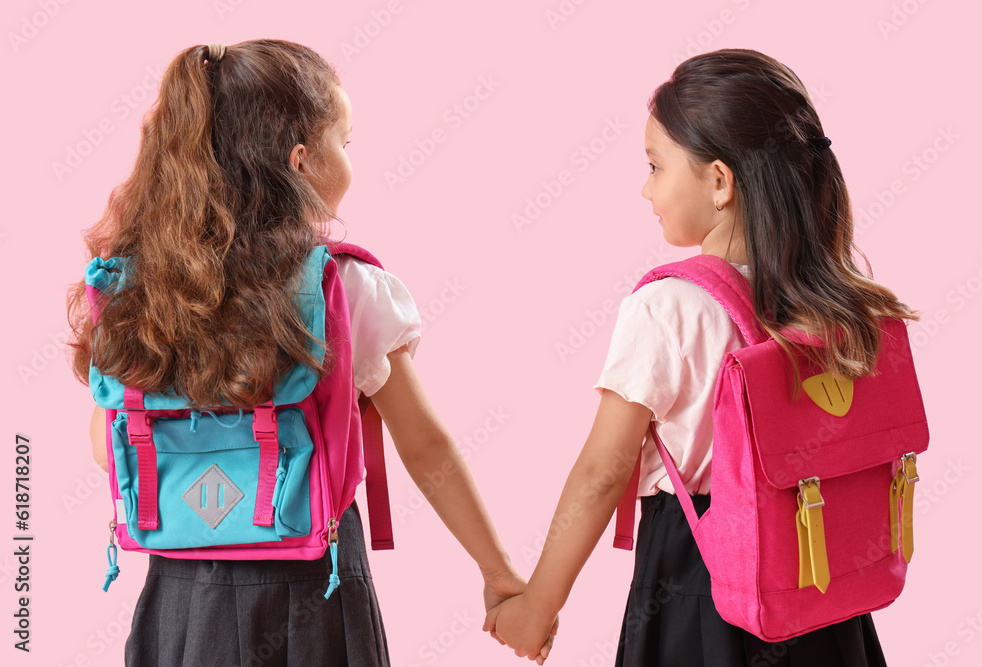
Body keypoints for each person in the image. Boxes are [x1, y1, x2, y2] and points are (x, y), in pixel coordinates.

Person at [67, 39, 545, 666]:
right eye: (344, 143)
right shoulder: (341, 286)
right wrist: (500, 575)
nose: (349, 161)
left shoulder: (137, 287)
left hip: (181, 598)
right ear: (301, 162)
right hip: (311, 593)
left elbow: (110, 450)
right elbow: (424, 445)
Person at [483, 48, 917, 666]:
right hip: (822, 584)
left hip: (701, 585)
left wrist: (537, 608)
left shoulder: (670, 307)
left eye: (656, 166)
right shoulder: (839, 303)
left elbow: (603, 472)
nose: (645, 188)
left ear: (718, 181)